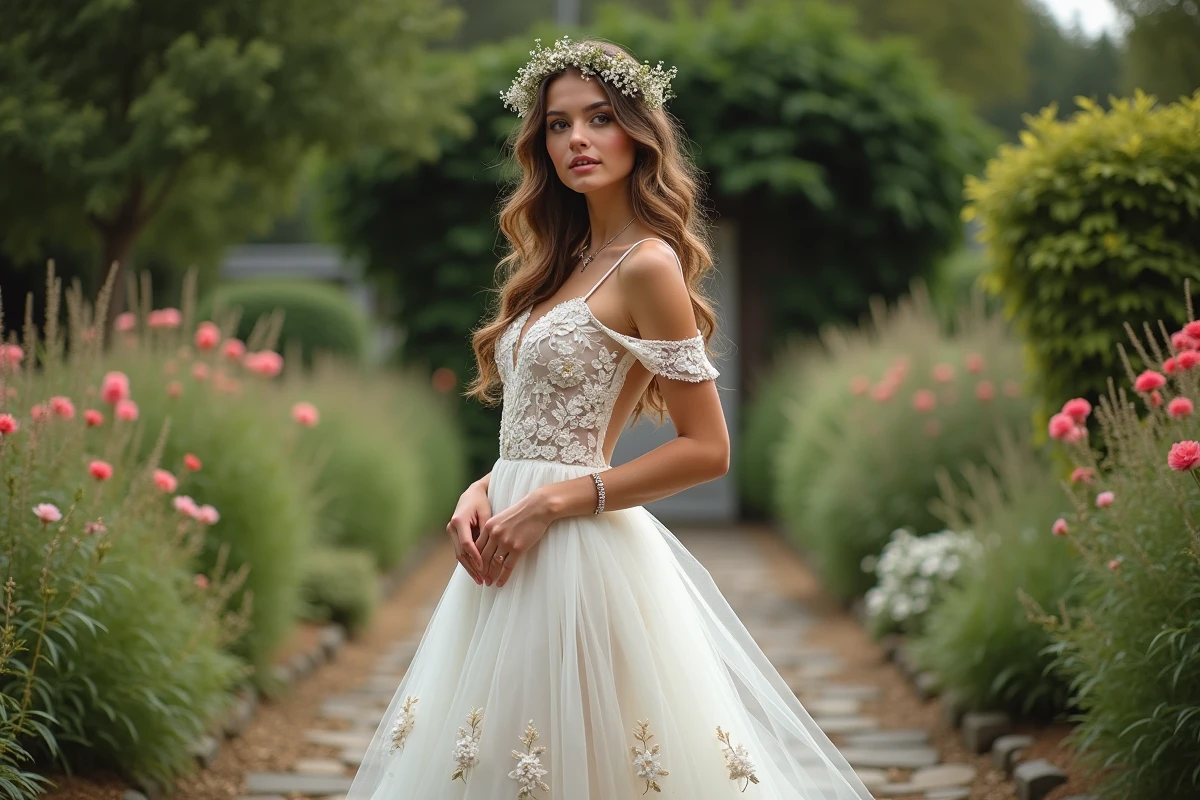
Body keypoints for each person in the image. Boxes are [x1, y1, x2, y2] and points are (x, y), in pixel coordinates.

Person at [346, 36, 874, 800]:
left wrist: (556, 500)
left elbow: (708, 449)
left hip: (574, 551)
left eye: (599, 119)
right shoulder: (557, 264)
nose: (578, 141)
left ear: (638, 130)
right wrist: (486, 486)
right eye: (558, 125)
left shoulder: (648, 265)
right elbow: (540, 427)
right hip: (508, 537)